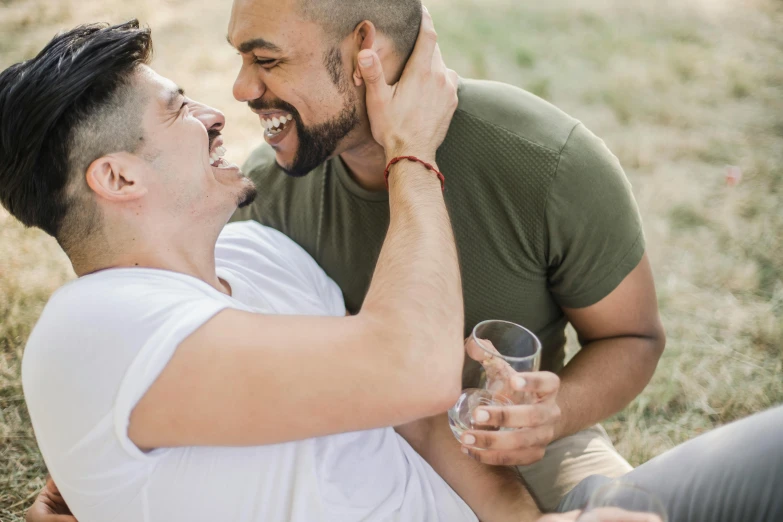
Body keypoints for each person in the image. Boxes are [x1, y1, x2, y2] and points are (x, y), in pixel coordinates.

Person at [4, 16, 540, 522]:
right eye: (177, 109)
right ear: (118, 178)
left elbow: (418, 420)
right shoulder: (90, 329)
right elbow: (418, 371)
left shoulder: (263, 252)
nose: (213, 113)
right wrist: (411, 152)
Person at [226, 0, 665, 510]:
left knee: (631, 509)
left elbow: (632, 336)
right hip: (352, 447)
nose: (242, 88)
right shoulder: (266, 196)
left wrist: (553, 413)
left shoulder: (544, 162)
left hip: (516, 450)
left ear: (365, 50)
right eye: (241, 57)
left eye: (267, 60)